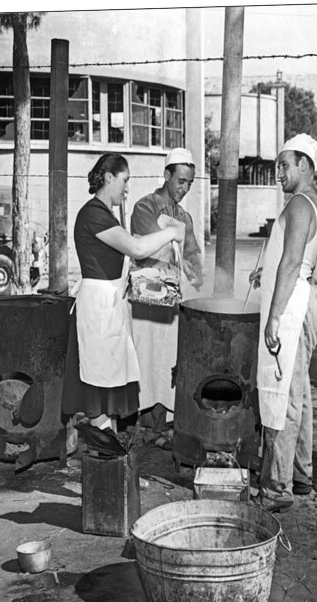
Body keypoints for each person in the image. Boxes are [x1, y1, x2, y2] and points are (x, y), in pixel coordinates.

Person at [61, 152, 185, 436]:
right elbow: (137, 248)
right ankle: (103, 440)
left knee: (108, 380)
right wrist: (172, 233)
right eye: (124, 180)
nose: (127, 188)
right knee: (96, 385)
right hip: (98, 306)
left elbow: (136, 243)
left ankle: (108, 444)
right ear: (108, 177)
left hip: (110, 304)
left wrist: (163, 226)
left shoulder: (106, 215)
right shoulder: (93, 214)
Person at [251, 134, 317, 512]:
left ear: (306, 166)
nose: (278, 172)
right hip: (304, 298)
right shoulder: (315, 203)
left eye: (285, 165)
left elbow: (293, 263)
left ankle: (277, 488)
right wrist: (266, 274)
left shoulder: (299, 203)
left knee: (283, 396)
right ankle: (300, 474)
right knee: (299, 393)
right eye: (278, 165)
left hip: (292, 306)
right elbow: (309, 264)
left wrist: (275, 316)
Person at [130, 148, 203, 429]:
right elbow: (151, 250)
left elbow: (192, 257)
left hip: (171, 302)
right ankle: (139, 421)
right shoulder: (144, 207)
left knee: (166, 363)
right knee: (145, 359)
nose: (184, 188)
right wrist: (175, 259)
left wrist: (196, 276)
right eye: (180, 181)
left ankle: (162, 422)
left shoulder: (185, 217)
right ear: (166, 175)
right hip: (146, 299)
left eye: (189, 183)